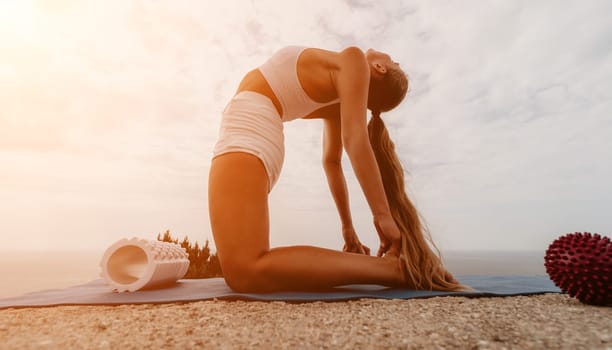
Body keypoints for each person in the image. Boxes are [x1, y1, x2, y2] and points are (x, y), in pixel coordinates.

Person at [208, 46, 463, 292]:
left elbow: (354, 140)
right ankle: (391, 269)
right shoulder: (338, 96)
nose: (391, 58)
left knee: (245, 270)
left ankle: (394, 271)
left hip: (252, 126)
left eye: (393, 61)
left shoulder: (353, 59)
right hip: (256, 128)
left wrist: (382, 215)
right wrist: (348, 229)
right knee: (245, 268)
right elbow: (331, 162)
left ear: (379, 68)